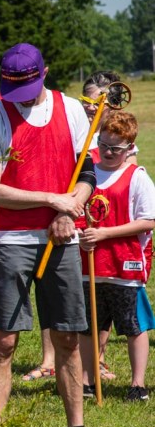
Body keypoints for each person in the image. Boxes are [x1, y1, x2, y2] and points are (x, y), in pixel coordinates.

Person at [0, 43, 114, 427]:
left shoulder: (70, 109)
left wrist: (75, 204)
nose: (19, 98)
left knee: (69, 336)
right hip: (13, 242)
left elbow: (86, 170)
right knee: (4, 342)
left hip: (64, 239)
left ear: (45, 73)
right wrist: (53, 200)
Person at [77, 111, 154, 402]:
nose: (108, 152)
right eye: (104, 145)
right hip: (90, 266)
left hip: (125, 267)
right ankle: (87, 379)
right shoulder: (88, 175)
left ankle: (137, 384)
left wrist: (105, 234)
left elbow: (148, 220)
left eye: (116, 148)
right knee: (89, 327)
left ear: (129, 147)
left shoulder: (137, 177)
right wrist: (83, 235)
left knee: (133, 326)